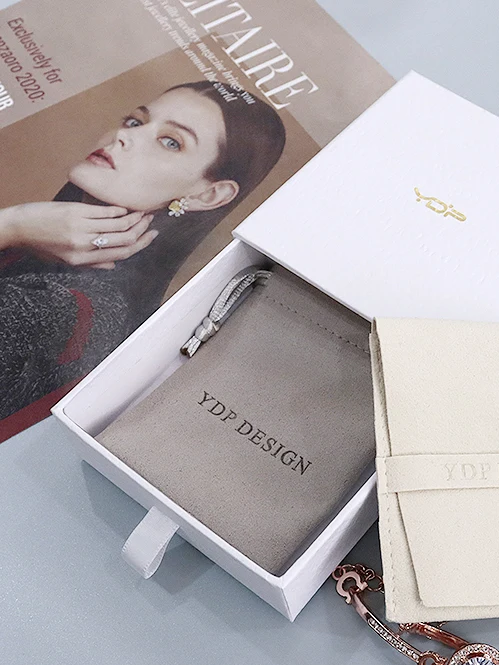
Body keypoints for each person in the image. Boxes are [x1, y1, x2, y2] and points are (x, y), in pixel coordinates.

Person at [0, 81, 286, 436]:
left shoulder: (67, 308)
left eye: (171, 142)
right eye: (136, 122)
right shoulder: (49, 260)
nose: (125, 136)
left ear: (209, 194)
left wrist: (12, 224)